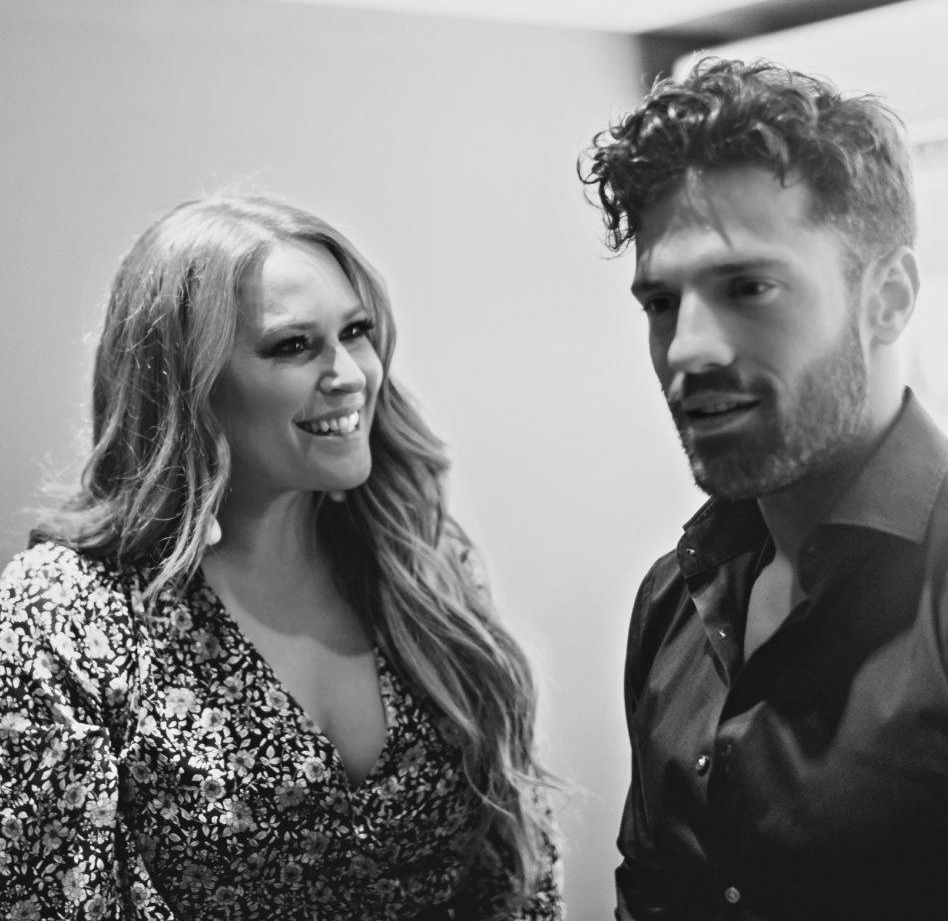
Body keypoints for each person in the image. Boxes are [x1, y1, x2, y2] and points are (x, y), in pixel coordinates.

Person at [0, 194, 564, 920]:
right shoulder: (65, 616)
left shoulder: (421, 566)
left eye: (355, 332)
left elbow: (519, 876)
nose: (350, 373)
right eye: (294, 345)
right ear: (190, 383)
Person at [579, 56, 948, 920]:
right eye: (660, 303)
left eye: (749, 287)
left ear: (887, 298)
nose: (686, 349)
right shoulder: (674, 596)